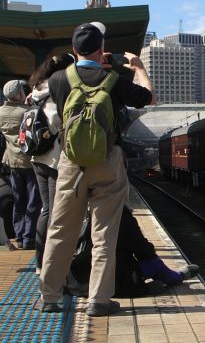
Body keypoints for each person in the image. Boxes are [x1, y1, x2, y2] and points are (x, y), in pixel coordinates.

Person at [37, 22, 156, 316]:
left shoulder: (57, 80)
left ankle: (48, 297)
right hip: (108, 161)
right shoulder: (114, 79)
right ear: (102, 49)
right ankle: (98, 300)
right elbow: (148, 97)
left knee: (60, 230)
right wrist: (139, 68)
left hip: (71, 163)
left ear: (74, 49)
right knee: (104, 233)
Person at [67, 205, 199, 298]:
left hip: (75, 282)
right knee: (155, 264)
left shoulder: (75, 211)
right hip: (113, 285)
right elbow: (144, 252)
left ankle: (168, 277)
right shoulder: (119, 214)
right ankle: (177, 276)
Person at [28, 54, 75, 272]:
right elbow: (56, 123)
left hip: (37, 157)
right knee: (55, 213)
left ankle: (40, 263)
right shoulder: (57, 90)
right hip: (55, 159)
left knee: (46, 210)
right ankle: (51, 265)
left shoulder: (36, 90)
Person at [0, 80, 42, 250]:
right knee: (33, 201)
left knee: (18, 200)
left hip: (11, 161)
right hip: (29, 162)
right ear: (19, 95)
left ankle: (18, 235)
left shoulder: (1, 112)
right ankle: (28, 237)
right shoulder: (29, 111)